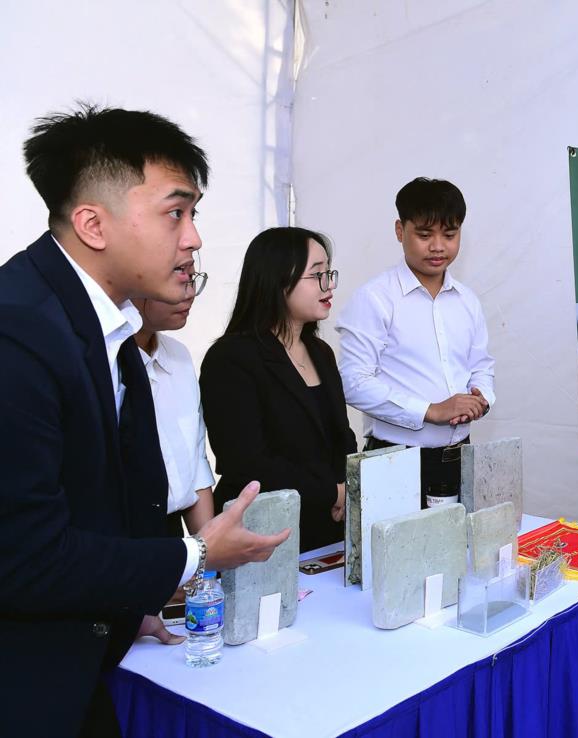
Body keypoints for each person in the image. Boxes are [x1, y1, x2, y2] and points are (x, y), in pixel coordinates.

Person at [0, 105, 289, 737]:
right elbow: (25, 558)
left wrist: (127, 609)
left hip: (81, 662)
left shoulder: (112, 330)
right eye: (175, 213)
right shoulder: (17, 332)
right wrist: (196, 554)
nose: (194, 238)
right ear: (93, 224)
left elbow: (107, 501)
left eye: (194, 214)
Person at [338, 177, 495, 509]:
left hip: (460, 456)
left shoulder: (467, 301)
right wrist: (430, 411)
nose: (438, 247)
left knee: (460, 540)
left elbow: (481, 365)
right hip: (395, 460)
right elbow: (353, 383)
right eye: (424, 235)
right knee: (394, 543)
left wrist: (481, 398)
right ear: (400, 231)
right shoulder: (374, 298)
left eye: (449, 235)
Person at [200, 227, 357, 553]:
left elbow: (343, 438)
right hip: (261, 535)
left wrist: (347, 492)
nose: (328, 285)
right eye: (316, 275)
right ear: (277, 280)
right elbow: (247, 462)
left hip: (327, 528)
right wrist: (332, 493)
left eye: (329, 273)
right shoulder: (231, 358)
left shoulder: (320, 352)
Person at [135, 279, 216, 537]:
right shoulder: (103, 360)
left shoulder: (178, 354)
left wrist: (208, 549)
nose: (189, 293)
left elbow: (195, 462)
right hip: (125, 537)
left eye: (192, 279)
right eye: (178, 275)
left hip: (173, 533)